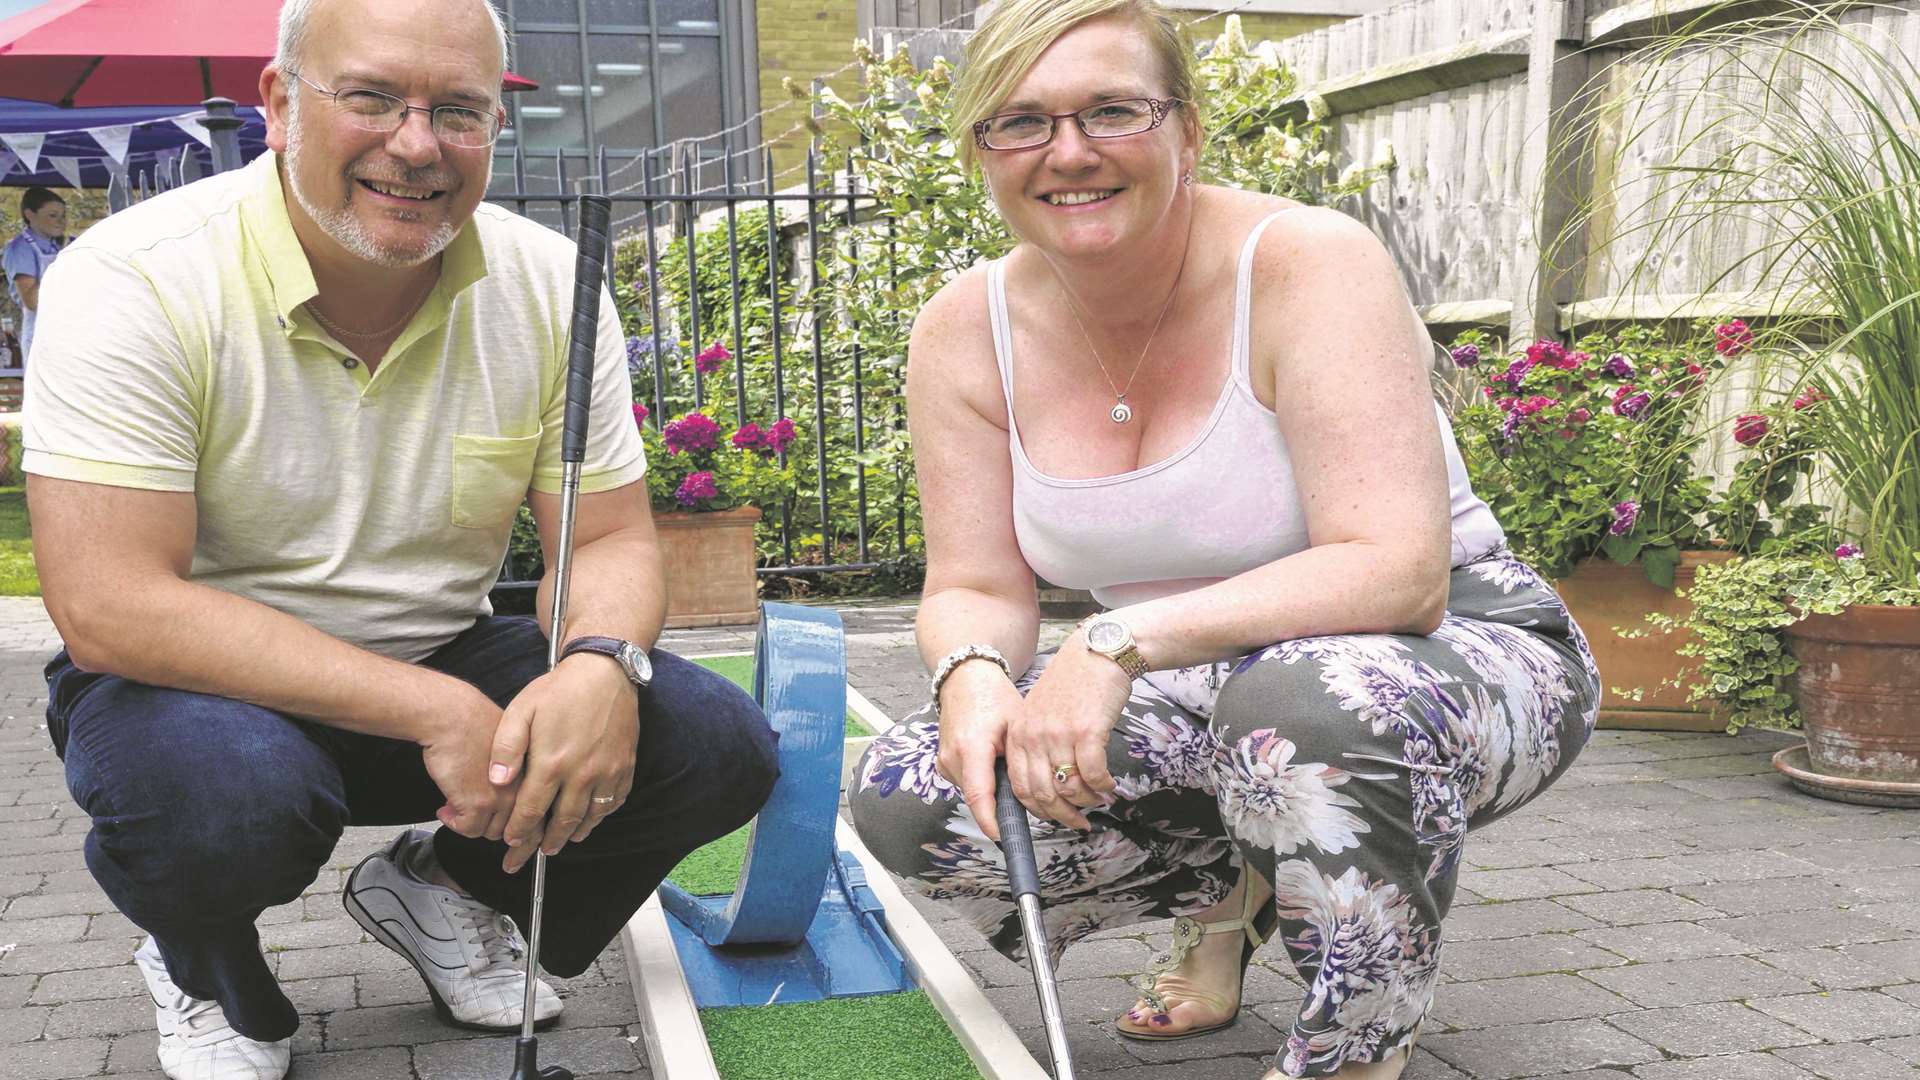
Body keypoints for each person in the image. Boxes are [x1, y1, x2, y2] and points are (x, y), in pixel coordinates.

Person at [21, 1, 778, 1078]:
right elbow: (109, 604)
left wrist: (603, 665)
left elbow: (607, 537)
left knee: (713, 745)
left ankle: (449, 889)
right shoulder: (132, 276)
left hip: (441, 653)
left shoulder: (551, 282)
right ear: (280, 104)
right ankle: (204, 967)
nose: (416, 144)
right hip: (191, 693)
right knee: (224, 803)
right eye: (371, 97)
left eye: (457, 111)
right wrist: (435, 710)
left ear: (495, 128)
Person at [847, 2, 1600, 1077]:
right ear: (984, 150)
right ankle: (1229, 889)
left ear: (1187, 132)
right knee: (916, 793)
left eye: (1111, 110)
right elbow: (973, 579)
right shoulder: (963, 330)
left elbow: (1397, 571)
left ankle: (1358, 1046)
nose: (1068, 153)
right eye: (1022, 122)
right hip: (1201, 676)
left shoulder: (1307, 264)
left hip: (1446, 648)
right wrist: (973, 676)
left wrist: (1111, 644)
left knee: (1301, 708)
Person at [5, 185, 66, 365]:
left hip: (66, 327)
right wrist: (61, 266)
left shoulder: (59, 245)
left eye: (63, 216)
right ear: (30, 215)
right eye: (52, 215)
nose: (60, 222)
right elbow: (32, 301)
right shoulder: (19, 248)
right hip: (40, 331)